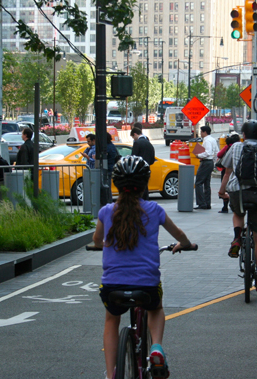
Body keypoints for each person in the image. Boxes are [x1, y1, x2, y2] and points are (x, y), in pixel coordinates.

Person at [93, 156, 195, 379]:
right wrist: (185, 245)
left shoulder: (106, 211)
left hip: (113, 287)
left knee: (112, 319)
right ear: (145, 184)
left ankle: (111, 375)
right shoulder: (154, 209)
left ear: (117, 185)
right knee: (155, 308)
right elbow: (178, 234)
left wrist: (98, 245)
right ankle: (156, 347)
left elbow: (96, 240)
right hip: (146, 286)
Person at [218, 120, 257, 292]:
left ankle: (237, 238)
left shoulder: (236, 147)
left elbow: (227, 171)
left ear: (243, 135)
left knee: (238, 213)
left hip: (237, 191)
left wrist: (222, 191)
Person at [193, 125, 219, 210]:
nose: (200, 133)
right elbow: (216, 152)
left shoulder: (207, 141)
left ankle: (201, 203)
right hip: (210, 162)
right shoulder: (213, 140)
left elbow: (207, 152)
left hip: (205, 162)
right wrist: (213, 161)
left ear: (205, 132)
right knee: (207, 184)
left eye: (201, 132)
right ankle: (207, 203)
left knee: (198, 182)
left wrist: (198, 155)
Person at [216, 133, 240, 213]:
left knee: (225, 187)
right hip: (237, 170)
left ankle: (225, 206)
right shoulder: (240, 147)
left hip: (226, 169)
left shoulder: (227, 147)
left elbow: (219, 155)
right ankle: (235, 205)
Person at [131, 127, 156, 200]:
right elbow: (152, 159)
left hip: (137, 170)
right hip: (146, 169)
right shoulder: (149, 144)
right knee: (145, 187)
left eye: (133, 137)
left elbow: (133, 157)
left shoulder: (137, 143)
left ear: (135, 134)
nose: (133, 139)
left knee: (138, 188)